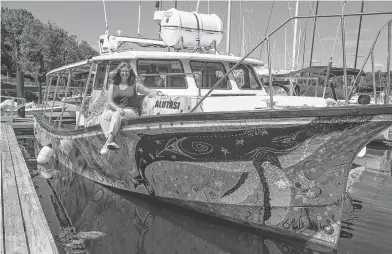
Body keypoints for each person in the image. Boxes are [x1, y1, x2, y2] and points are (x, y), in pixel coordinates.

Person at [99, 62, 163, 155]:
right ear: (119, 72)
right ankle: (112, 141)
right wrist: (117, 108)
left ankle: (107, 143)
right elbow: (110, 101)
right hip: (117, 109)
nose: (125, 73)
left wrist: (159, 93)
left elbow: (149, 91)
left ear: (130, 73)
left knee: (117, 115)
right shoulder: (113, 85)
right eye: (123, 71)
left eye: (127, 71)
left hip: (132, 111)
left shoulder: (135, 85)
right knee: (103, 117)